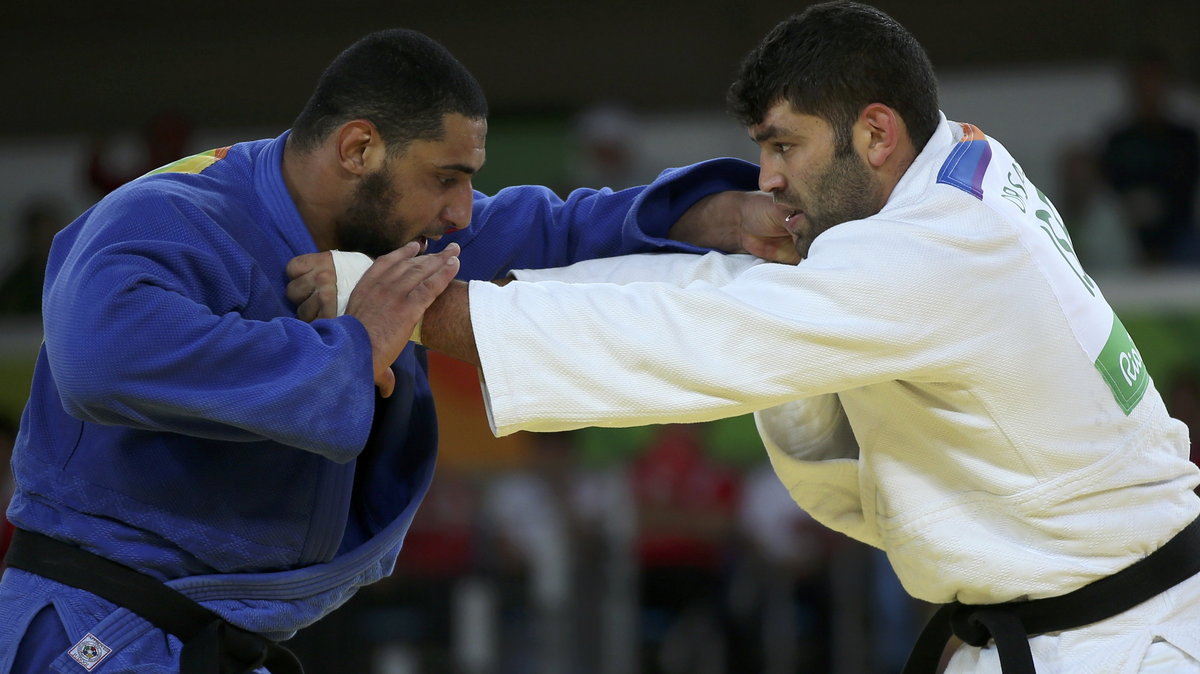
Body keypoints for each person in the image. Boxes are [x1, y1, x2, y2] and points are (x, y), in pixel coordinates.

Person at [296, 4, 1200, 672]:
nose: (767, 176)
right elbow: (725, 297)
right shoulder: (962, 164)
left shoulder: (936, 253)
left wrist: (399, 306)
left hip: (1115, 642)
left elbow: (699, 330)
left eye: (785, 146)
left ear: (875, 134)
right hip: (1050, 620)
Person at [0, 29, 798, 674]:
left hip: (216, 632)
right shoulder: (167, 215)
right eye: (446, 179)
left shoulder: (386, 227)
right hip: (98, 631)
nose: (460, 211)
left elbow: (552, 227)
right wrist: (354, 347)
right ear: (357, 150)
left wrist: (718, 215)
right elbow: (99, 357)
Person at [1099, 46, 1200, 267]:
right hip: (1123, 232)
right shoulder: (1117, 139)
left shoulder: (1184, 137)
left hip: (1178, 236)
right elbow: (1108, 185)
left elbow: (1185, 190)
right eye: (1143, 81)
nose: (1149, 88)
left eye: (1155, 80)